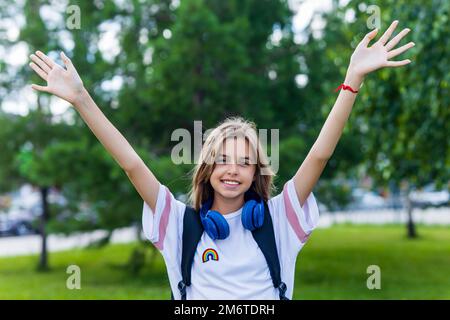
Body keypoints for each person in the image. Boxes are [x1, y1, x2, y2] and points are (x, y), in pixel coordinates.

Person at [28, 20, 414, 299]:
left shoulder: (281, 219)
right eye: (223, 159)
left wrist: (352, 80)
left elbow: (320, 153)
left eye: (245, 162)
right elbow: (131, 163)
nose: (232, 169)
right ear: (208, 168)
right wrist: (81, 99)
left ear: (256, 173)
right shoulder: (177, 223)